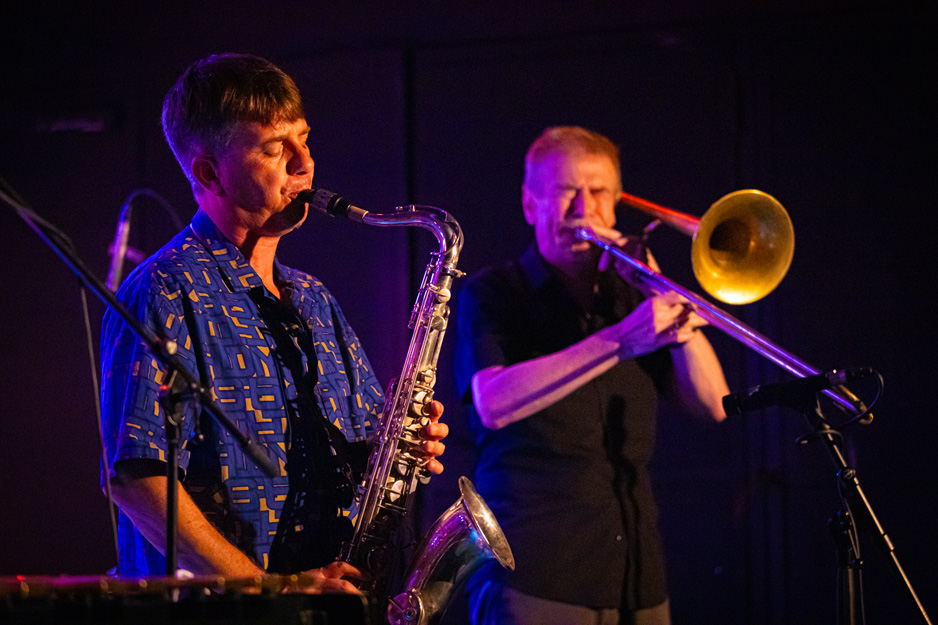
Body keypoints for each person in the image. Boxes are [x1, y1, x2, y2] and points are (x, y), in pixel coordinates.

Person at [99, 53, 448, 593]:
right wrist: (271, 590)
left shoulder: (313, 297)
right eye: (273, 148)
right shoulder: (161, 291)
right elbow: (136, 480)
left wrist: (400, 448)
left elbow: (361, 450)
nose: (304, 163)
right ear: (209, 173)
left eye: (304, 139)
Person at [454, 126, 729, 624]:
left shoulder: (631, 300)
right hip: (536, 575)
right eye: (566, 191)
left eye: (598, 192)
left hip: (638, 578)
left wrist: (657, 289)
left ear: (615, 206)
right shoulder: (494, 293)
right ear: (531, 205)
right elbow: (493, 404)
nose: (584, 209)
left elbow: (715, 403)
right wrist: (621, 339)